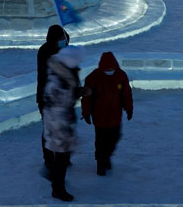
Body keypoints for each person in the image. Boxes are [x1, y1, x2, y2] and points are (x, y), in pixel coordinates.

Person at [42, 46, 84, 202]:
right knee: (62, 157)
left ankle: (54, 176)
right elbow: (59, 105)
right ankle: (57, 189)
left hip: (62, 121)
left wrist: (80, 91)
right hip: (59, 124)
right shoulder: (58, 81)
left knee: (63, 156)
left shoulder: (63, 72)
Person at [81, 51, 133, 176]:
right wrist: (86, 113)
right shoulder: (93, 77)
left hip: (115, 115)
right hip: (100, 117)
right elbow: (86, 98)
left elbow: (126, 94)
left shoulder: (121, 76)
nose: (109, 69)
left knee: (114, 138)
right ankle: (101, 162)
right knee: (100, 141)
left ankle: (106, 156)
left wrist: (129, 108)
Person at [37, 25, 70, 172]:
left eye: (64, 39)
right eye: (60, 39)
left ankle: (63, 157)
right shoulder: (45, 52)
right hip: (48, 98)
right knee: (50, 130)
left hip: (63, 98)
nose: (63, 41)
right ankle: (49, 160)